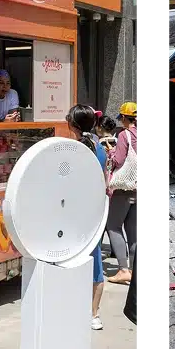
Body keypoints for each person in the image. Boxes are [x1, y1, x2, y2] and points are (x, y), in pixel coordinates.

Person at [66, 104, 111, 330]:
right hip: (95, 212)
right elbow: (104, 180)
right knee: (95, 263)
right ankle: (94, 314)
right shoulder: (99, 146)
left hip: (76, 213)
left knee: (71, 259)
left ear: (72, 125)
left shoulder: (74, 150)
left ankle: (73, 310)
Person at [105, 102, 141, 285]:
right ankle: (134, 270)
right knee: (133, 230)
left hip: (124, 188)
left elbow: (118, 160)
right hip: (138, 187)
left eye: (122, 118)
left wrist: (111, 153)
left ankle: (123, 269)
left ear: (126, 118)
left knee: (113, 226)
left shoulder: (124, 135)